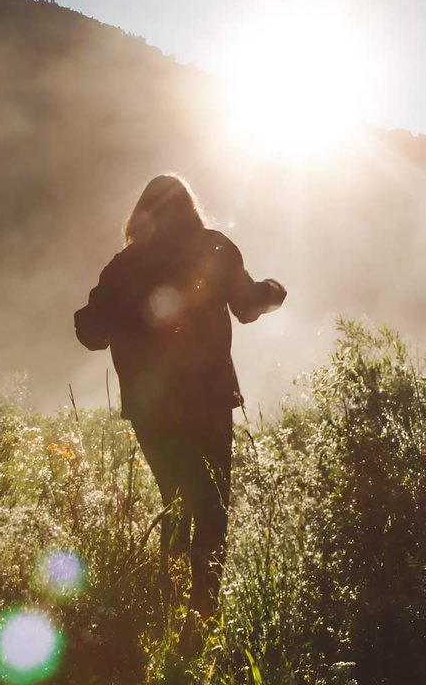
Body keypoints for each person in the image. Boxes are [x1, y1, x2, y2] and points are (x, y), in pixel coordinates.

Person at [74, 174, 286, 623]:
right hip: (208, 398)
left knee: (176, 496)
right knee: (211, 504)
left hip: (151, 406)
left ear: (142, 215)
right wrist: (273, 293)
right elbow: (247, 307)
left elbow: (90, 331)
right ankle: (203, 611)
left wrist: (116, 319)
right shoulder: (214, 247)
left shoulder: (123, 265)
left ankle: (171, 606)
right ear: (190, 208)